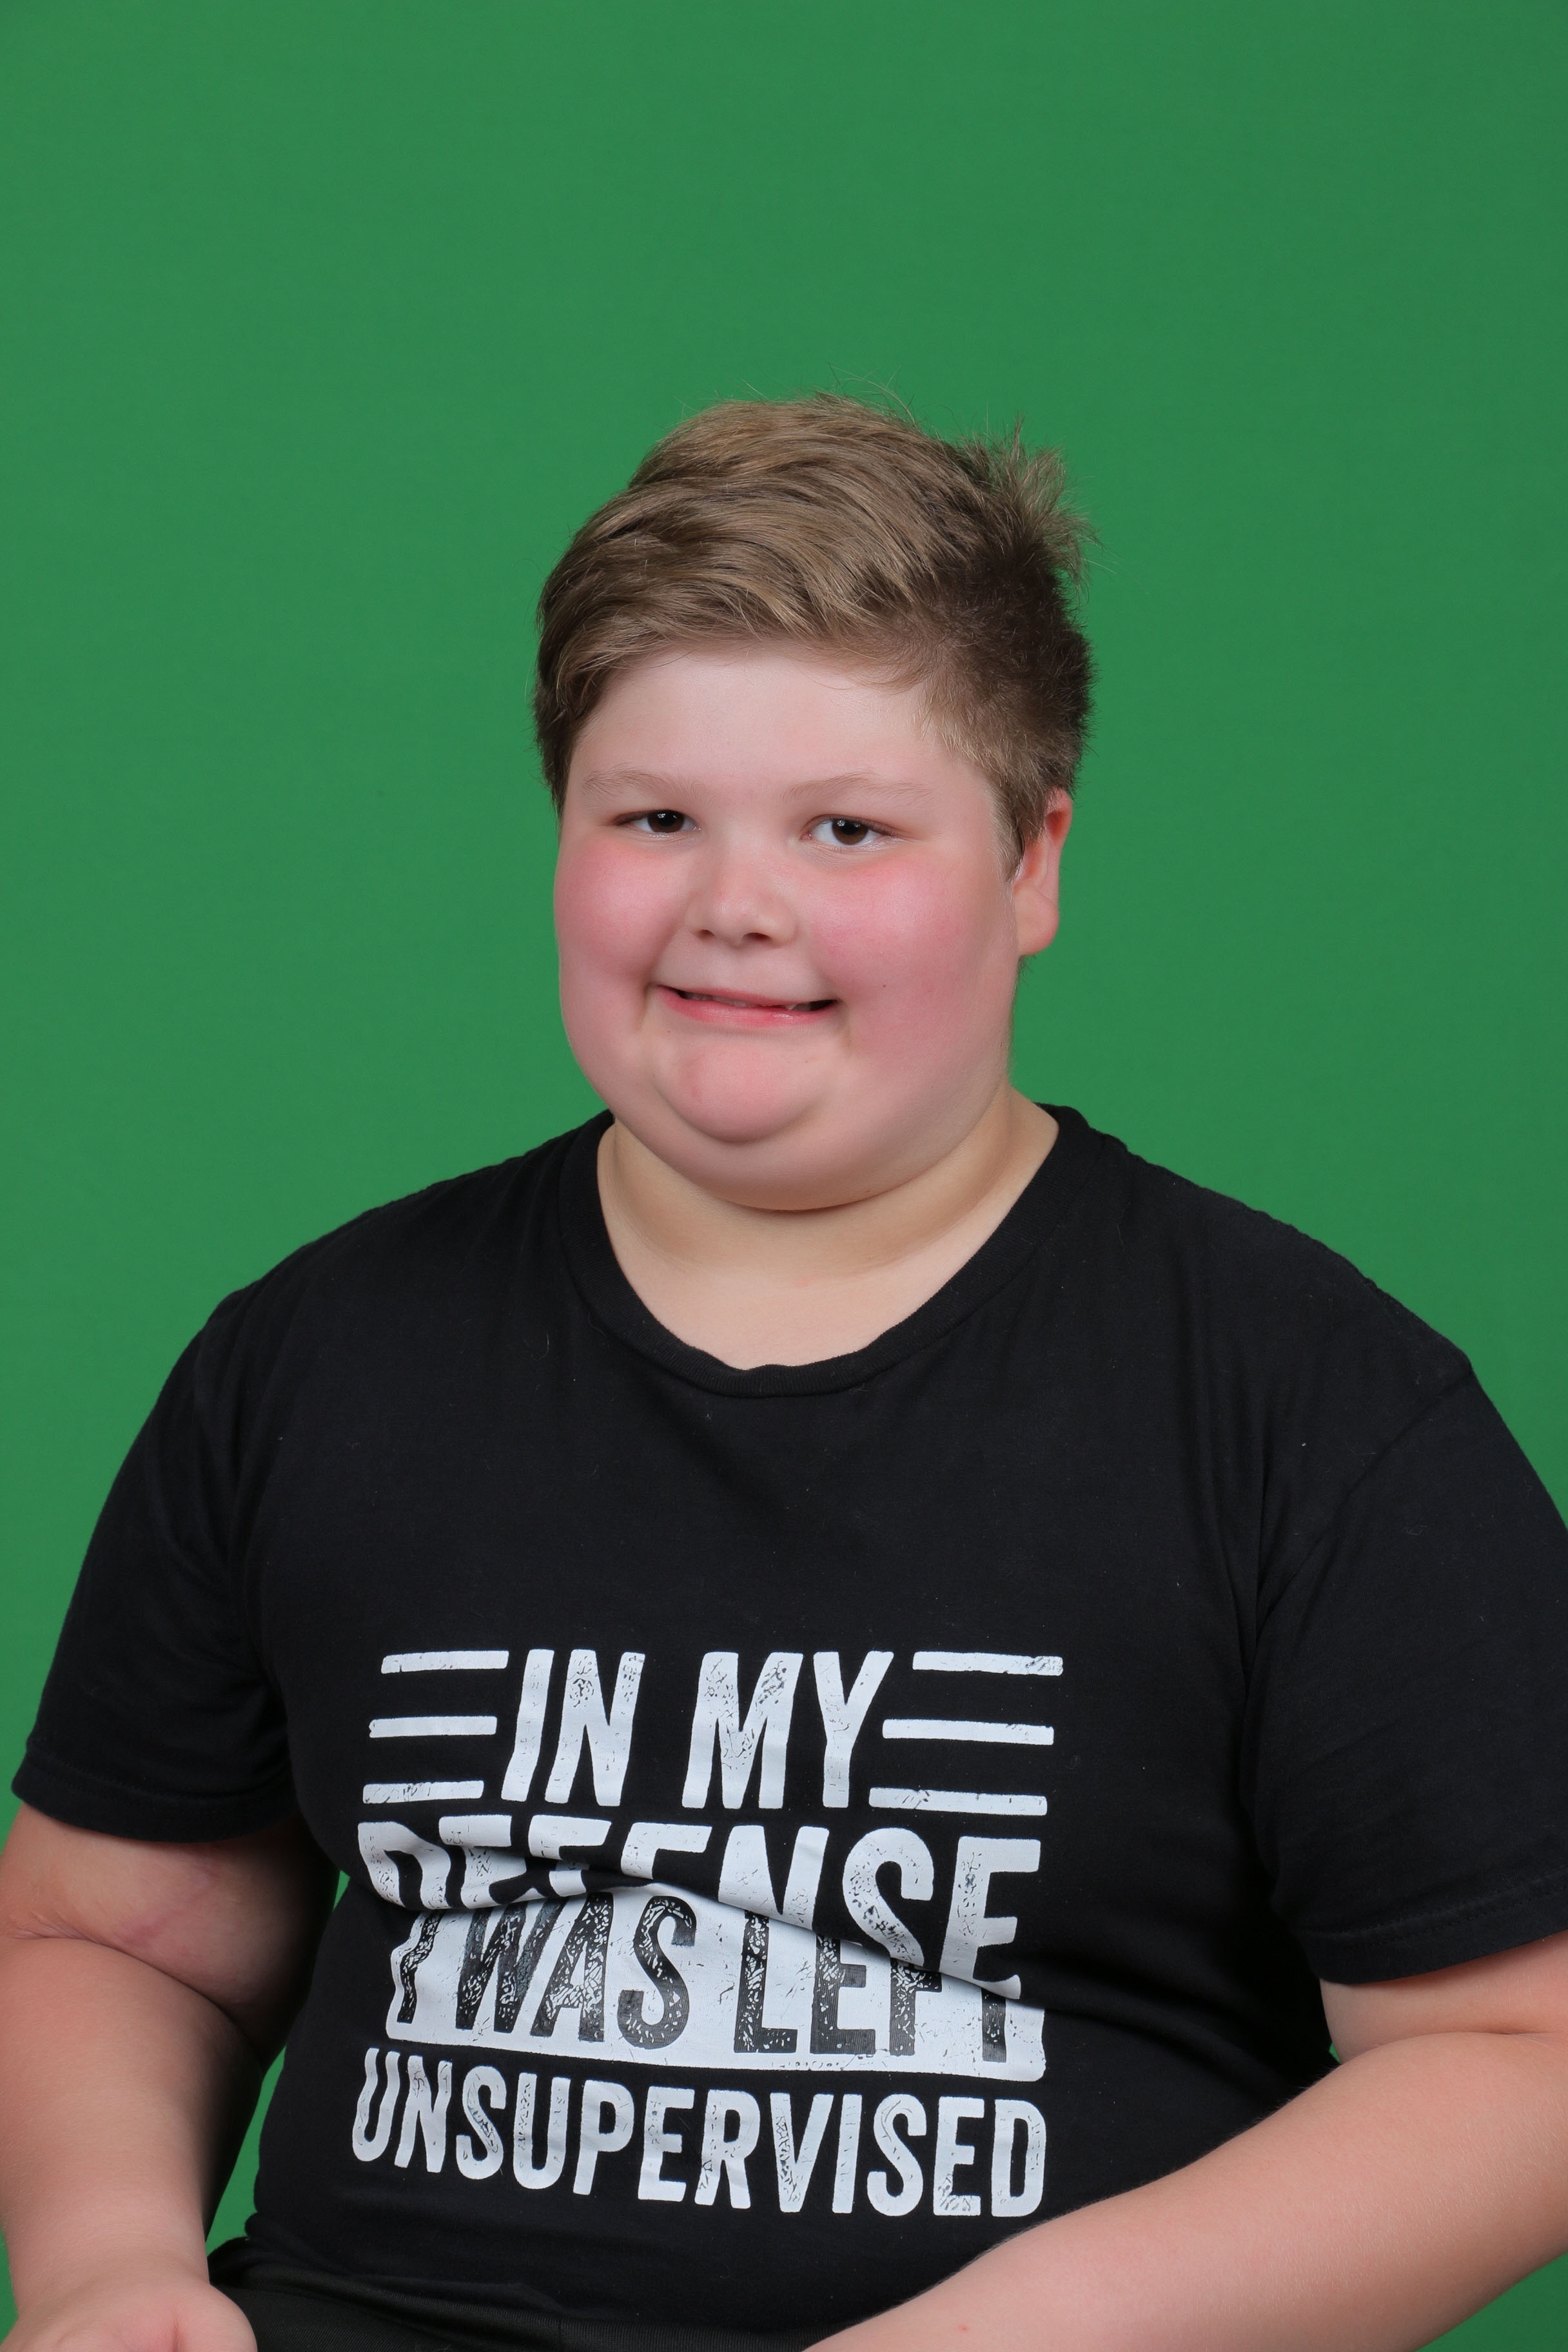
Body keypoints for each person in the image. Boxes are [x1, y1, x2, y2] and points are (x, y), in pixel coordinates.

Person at [4, 395, 1568, 2352]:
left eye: (848, 827)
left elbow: (1520, 2055)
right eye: (654, 817)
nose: (735, 906)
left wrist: (1029, 2330)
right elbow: (116, 1933)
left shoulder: (1300, 1406)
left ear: (1031, 861)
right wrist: (108, 2264)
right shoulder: (314, 1358)